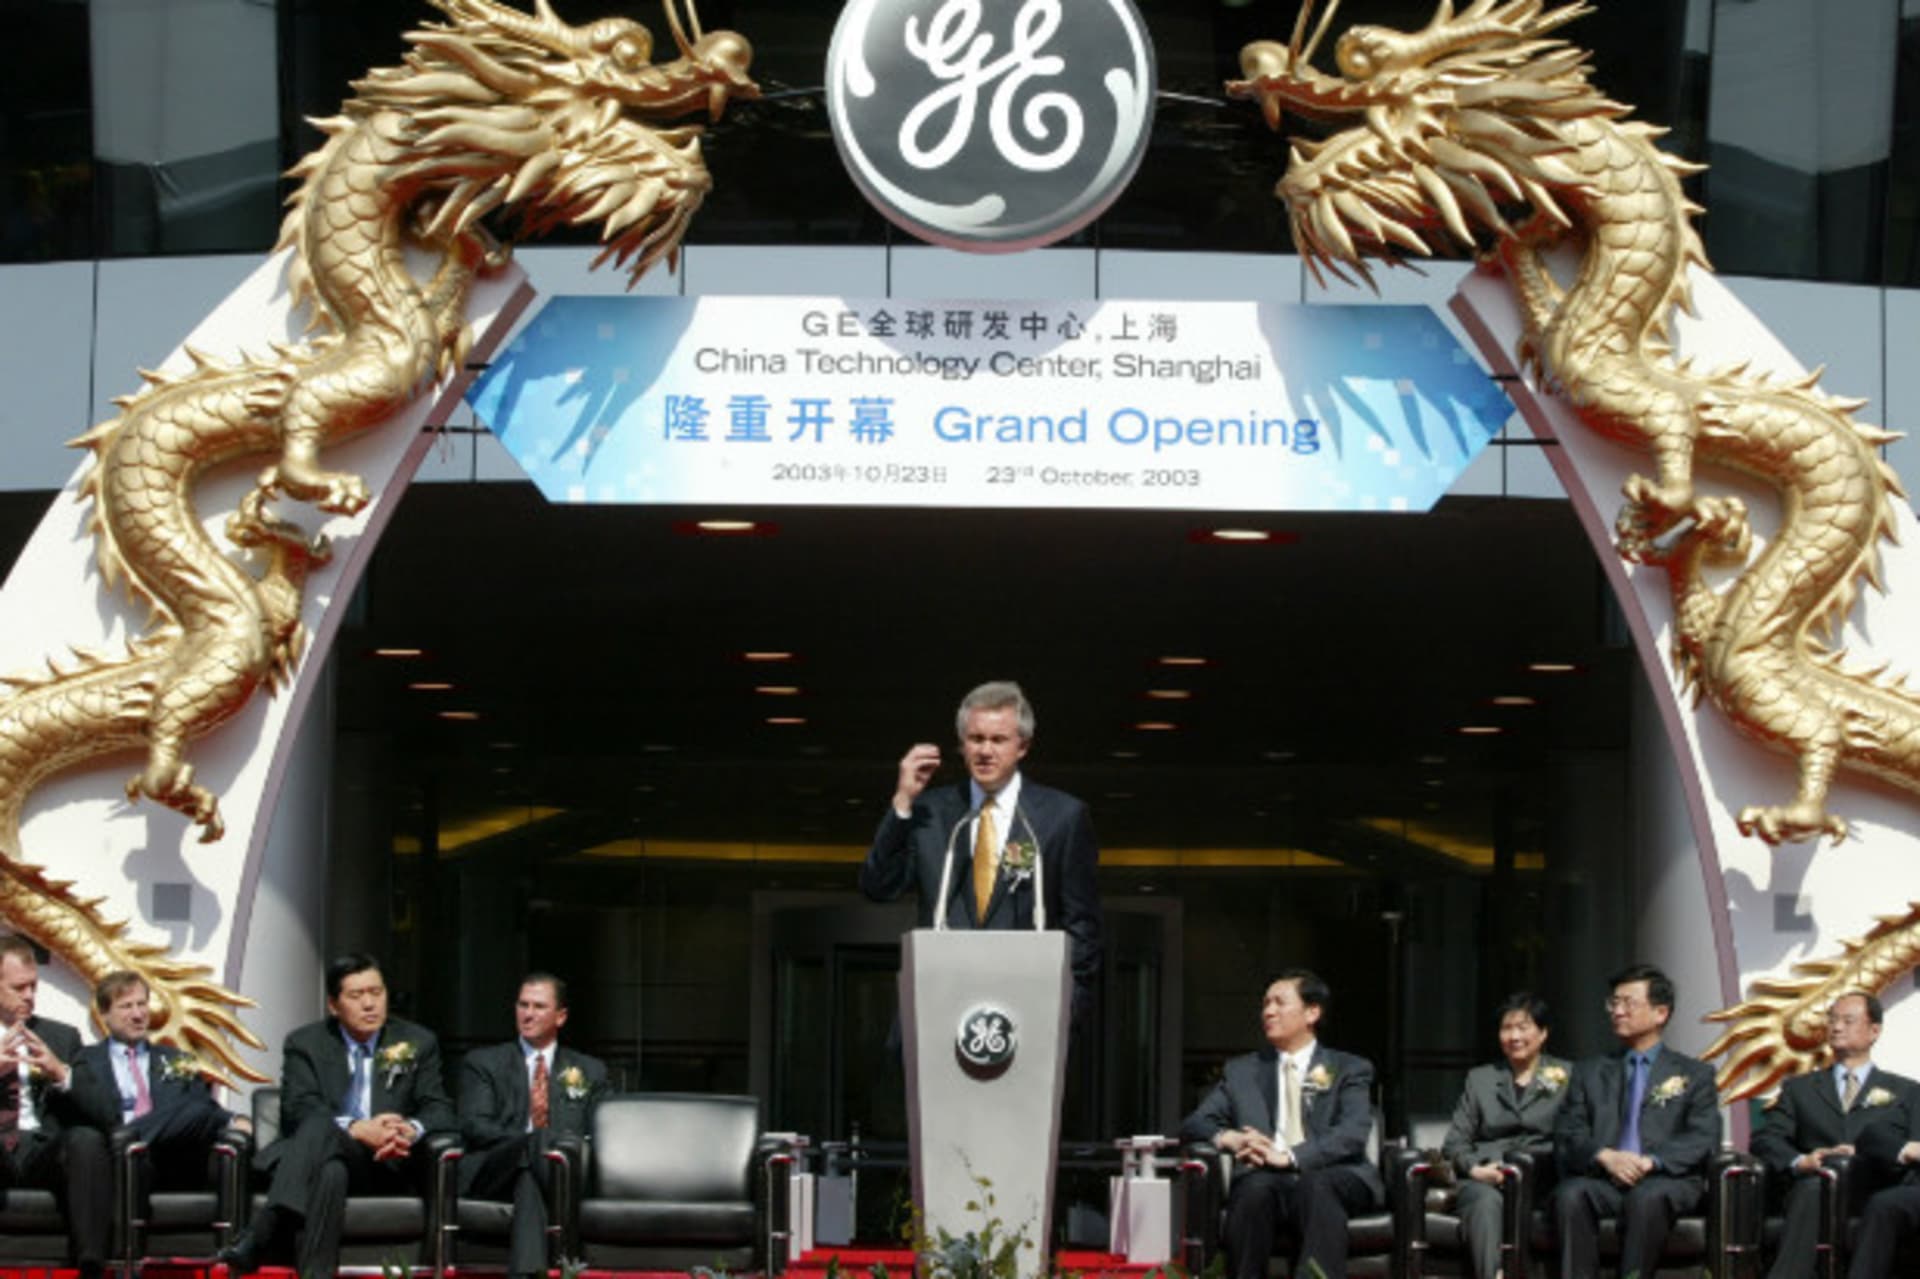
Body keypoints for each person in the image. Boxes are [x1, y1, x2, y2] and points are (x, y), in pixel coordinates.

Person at [861, 680, 1101, 1026]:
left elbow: (1082, 926)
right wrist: (903, 801)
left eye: (998, 740)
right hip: (938, 1009)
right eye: (976, 739)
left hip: (1027, 1013)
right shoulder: (932, 812)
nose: (985, 751)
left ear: (1022, 746)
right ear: (962, 744)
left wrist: (1066, 1012)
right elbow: (878, 886)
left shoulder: (1061, 818)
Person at [218, 953, 456, 1279]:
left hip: (387, 1161)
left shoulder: (417, 1041)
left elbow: (440, 1109)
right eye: (356, 996)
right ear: (334, 1005)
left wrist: (408, 1130)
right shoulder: (306, 1043)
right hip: (329, 1154)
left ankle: (262, 1229)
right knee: (329, 1165)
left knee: (322, 1135)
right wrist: (357, 1128)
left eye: (376, 992)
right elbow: (298, 1109)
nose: (369, 1004)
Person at [1179, 969, 1383, 1279]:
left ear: (1312, 1013)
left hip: (1336, 1173)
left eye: (1279, 1002)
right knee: (1253, 1190)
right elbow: (1194, 1124)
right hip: (1266, 1176)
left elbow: (1352, 1133)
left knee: (1315, 1186)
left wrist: (1289, 1157)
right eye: (1265, 1004)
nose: (1268, 1011)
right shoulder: (1242, 1071)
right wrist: (1230, 1138)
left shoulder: (1347, 1068)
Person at [1551, 962, 1720, 1279]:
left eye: (1628, 1003)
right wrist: (1605, 1156)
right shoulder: (1590, 1071)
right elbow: (1568, 1131)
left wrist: (1649, 1162)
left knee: (1647, 1198)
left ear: (1660, 1013)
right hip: (1605, 1180)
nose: (1617, 1011)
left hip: (1665, 1180)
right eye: (1614, 1003)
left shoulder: (1694, 1074)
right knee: (1570, 1195)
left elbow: (1703, 1137)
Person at [1751, 991, 1912, 1279]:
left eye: (1848, 1021)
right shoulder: (1799, 1089)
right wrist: (1801, 1161)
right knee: (1819, 1185)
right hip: (1815, 1185)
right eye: (1832, 1020)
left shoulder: (1905, 1091)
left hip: (1873, 1189)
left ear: (1874, 1031)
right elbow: (1766, 1139)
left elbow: (1911, 1149)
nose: (1837, 1027)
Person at [459, 973, 608, 1279]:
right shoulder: (484, 1063)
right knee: (537, 1143)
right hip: (496, 1168)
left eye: (539, 1006)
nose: (528, 1014)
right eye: (522, 1005)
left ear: (560, 1017)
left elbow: (600, 1133)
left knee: (528, 1179)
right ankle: (569, 1245)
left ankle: (526, 1273)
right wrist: (531, 1142)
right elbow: (475, 1126)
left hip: (552, 1171)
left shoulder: (589, 1070)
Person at [71, 970, 250, 1202]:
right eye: (126, 1006)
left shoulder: (177, 1059)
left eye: (142, 1004)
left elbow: (201, 1112)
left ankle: (127, 1142)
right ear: (104, 1014)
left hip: (165, 1161)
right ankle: (125, 1144)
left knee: (195, 1108)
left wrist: (234, 1120)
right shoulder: (86, 1060)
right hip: (107, 1165)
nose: (138, 1014)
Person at [1440, 992, 1572, 1279]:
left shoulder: (1568, 1076)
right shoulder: (1481, 1079)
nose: (1514, 1037)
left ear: (1543, 1033)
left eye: (1523, 1028)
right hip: (1488, 1176)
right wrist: (1475, 1169)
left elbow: (1574, 1137)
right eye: (1506, 1028)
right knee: (1483, 1201)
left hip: (1542, 1177)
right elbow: (1454, 1142)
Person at [0, 934, 109, 1278]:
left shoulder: (62, 1036)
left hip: (42, 1149)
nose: (29, 995)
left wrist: (61, 1072)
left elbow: (104, 1109)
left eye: (33, 986)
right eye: (19, 987)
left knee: (86, 1139)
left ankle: (91, 1265)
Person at [1846, 1064, 1920, 1278]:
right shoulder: (1916, 1096)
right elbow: (1871, 1135)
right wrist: (1905, 1149)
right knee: (1885, 1203)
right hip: (1914, 1192)